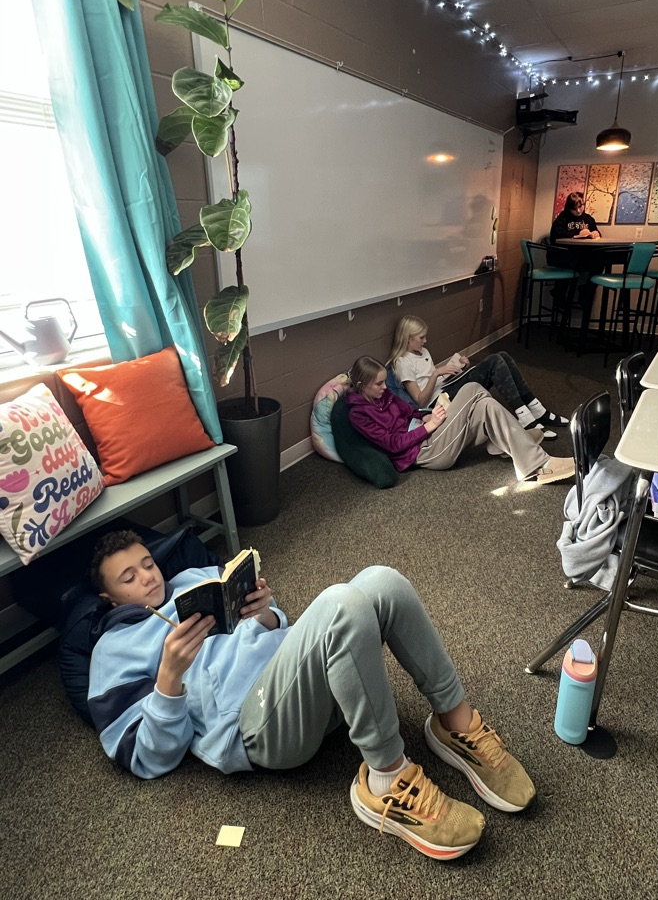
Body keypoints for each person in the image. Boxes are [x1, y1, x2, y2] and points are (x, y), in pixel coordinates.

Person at [87, 530, 536, 861]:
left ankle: (454, 723)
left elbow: (277, 627)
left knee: (382, 580)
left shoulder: (195, 578)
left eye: (147, 563)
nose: (147, 577)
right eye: (129, 577)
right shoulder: (113, 651)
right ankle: (386, 780)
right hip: (257, 727)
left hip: (309, 685)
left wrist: (264, 613)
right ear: (109, 598)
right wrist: (169, 677)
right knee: (341, 603)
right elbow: (148, 758)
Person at [346, 356, 575, 484]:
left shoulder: (382, 394)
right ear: (361, 386)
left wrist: (424, 416)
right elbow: (393, 445)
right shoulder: (358, 414)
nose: (385, 388)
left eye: (384, 382)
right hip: (424, 452)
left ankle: (514, 447)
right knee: (473, 388)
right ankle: (530, 456)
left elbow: (409, 412)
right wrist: (429, 426)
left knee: (485, 404)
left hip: (428, 433)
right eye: (378, 384)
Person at [388, 315, 569, 438]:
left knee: (503, 355)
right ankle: (526, 417)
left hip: (445, 388)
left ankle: (537, 410)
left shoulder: (423, 351)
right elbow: (420, 401)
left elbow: (434, 380)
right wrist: (436, 373)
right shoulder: (403, 362)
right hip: (438, 403)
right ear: (407, 338)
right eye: (421, 338)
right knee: (495, 361)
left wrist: (457, 368)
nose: (425, 341)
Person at [549, 191, 604, 312]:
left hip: (584, 255)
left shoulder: (588, 219)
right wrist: (577, 234)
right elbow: (556, 235)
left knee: (600, 262)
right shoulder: (562, 218)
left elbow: (596, 231)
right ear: (569, 208)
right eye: (574, 209)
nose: (579, 211)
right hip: (565, 255)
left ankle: (586, 290)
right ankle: (560, 293)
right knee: (570, 263)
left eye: (581, 206)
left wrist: (595, 233)